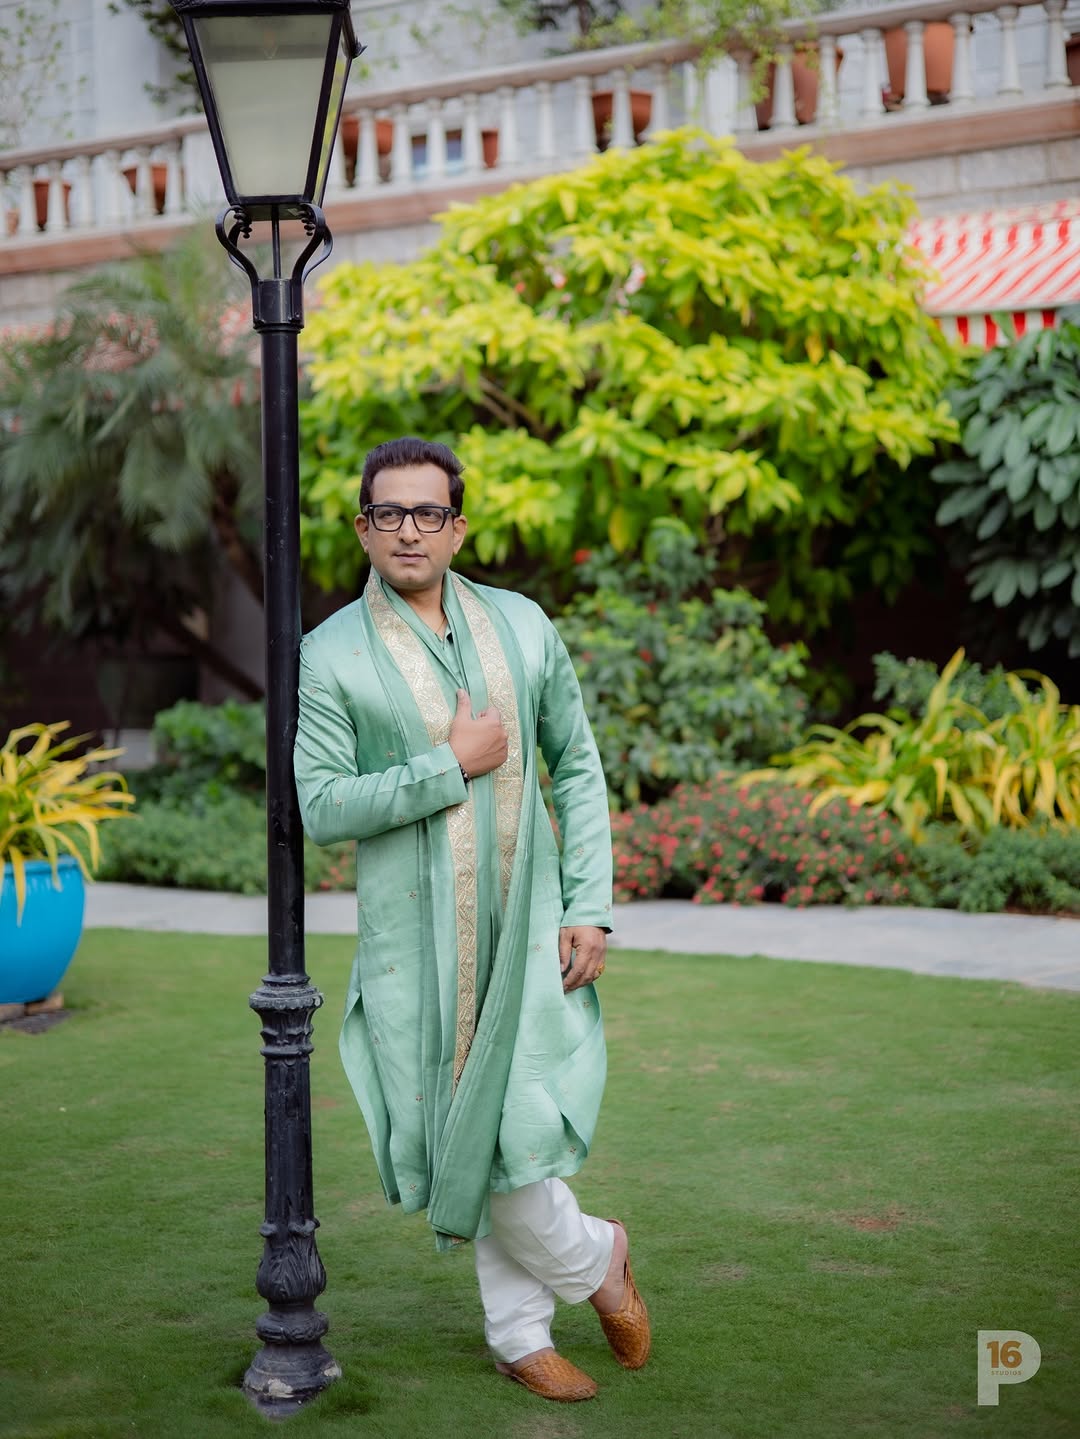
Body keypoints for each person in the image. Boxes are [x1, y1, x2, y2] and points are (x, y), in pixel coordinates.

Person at [294, 436, 649, 1402]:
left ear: (460, 524)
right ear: (363, 527)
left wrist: (589, 904)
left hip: (529, 932)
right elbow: (319, 805)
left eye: (429, 513)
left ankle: (525, 1322)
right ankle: (590, 1269)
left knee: (515, 1127)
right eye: (389, 514)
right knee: (465, 1135)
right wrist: (449, 764)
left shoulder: (526, 627)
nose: (410, 531)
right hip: (419, 950)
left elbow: (576, 767)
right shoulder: (328, 655)